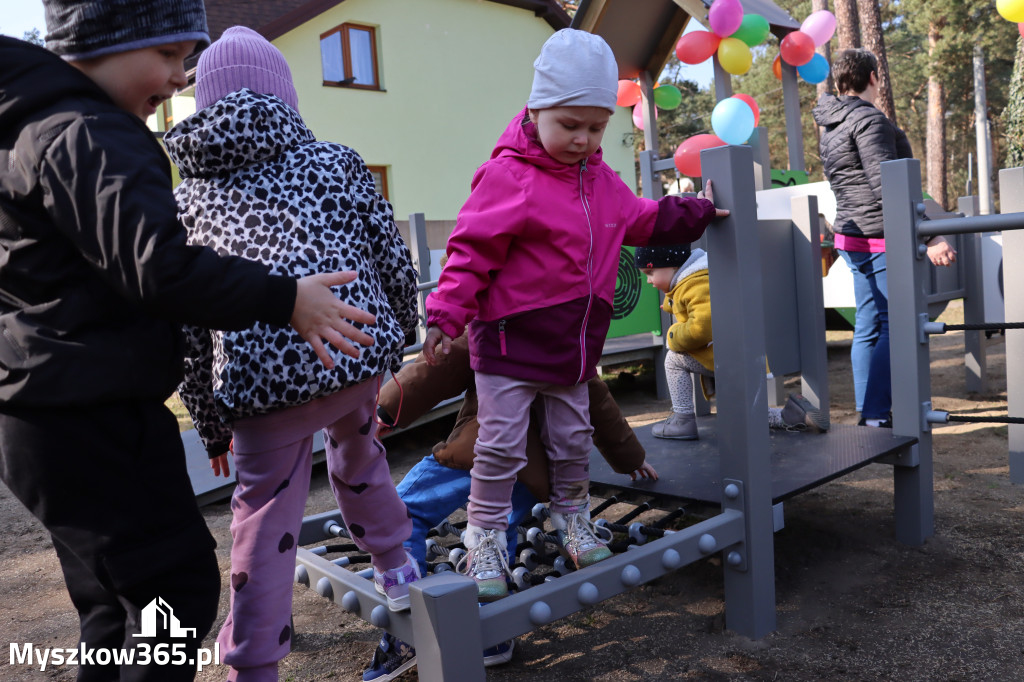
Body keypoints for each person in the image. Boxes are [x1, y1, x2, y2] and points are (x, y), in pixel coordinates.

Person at [0, 4, 381, 680]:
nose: (180, 78)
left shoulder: (29, 128)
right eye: (169, 55)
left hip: (44, 410)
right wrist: (285, 297)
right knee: (171, 592)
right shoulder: (91, 135)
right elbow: (161, 269)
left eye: (188, 61)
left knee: (114, 609)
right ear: (105, 40)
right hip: (93, 411)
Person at [422, 28, 728, 601]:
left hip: (571, 346)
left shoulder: (601, 180)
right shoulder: (509, 176)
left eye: (596, 127)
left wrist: (698, 212)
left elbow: (642, 219)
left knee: (572, 437)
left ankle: (572, 516)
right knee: (501, 444)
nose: (584, 139)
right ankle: (484, 536)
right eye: (570, 125)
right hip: (512, 344)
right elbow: (469, 251)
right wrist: (443, 314)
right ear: (537, 110)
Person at [162, 27, 420, 682]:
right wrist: (402, 336)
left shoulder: (185, 200)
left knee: (263, 518)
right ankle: (395, 568)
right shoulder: (338, 161)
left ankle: (254, 665)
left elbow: (188, 323)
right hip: (352, 357)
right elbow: (391, 255)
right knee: (361, 458)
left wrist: (209, 417)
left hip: (258, 388)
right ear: (287, 99)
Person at [363, 331, 657, 680]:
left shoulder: (497, 325)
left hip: (479, 450)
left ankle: (405, 636)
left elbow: (439, 365)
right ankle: (490, 636)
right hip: (530, 471)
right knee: (497, 538)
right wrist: (630, 457)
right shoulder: (565, 336)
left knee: (403, 513)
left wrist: (383, 408)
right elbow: (598, 401)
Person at [812, 48, 956, 428]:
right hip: (878, 238)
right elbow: (887, 187)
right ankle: (875, 413)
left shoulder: (831, 124)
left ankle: (871, 413)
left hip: (851, 236)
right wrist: (929, 238)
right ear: (873, 78)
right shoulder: (869, 121)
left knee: (868, 324)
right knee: (896, 324)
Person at [634, 244, 830, 440]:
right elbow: (696, 304)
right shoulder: (702, 274)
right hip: (742, 353)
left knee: (673, 360)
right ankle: (793, 415)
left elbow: (701, 326)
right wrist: (672, 305)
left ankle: (682, 419)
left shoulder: (694, 283)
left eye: (650, 272)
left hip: (727, 356)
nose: (649, 280)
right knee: (746, 417)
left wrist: (672, 335)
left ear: (673, 266)